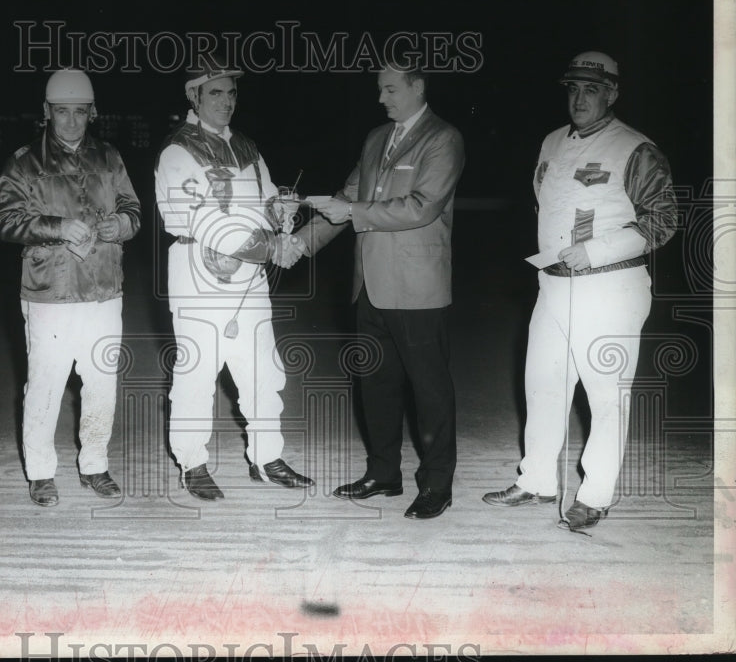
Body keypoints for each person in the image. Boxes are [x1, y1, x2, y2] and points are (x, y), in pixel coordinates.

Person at [482, 51, 677, 531]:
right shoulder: (551, 142)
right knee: (543, 386)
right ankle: (536, 481)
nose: (579, 98)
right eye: (572, 88)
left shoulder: (636, 148)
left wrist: (597, 250)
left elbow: (664, 220)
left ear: (612, 92)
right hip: (552, 286)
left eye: (591, 89)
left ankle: (594, 494)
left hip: (609, 287)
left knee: (606, 395)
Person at [289, 60, 465, 520]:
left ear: (417, 87)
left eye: (389, 90)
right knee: (376, 386)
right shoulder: (373, 140)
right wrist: (295, 244)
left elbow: (421, 207)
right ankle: (384, 474)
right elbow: (345, 201)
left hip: (418, 289)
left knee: (429, 391)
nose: (381, 98)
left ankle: (437, 485)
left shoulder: (443, 139)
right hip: (368, 286)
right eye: (380, 90)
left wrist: (352, 212)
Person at [154, 56, 312, 500]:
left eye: (232, 92)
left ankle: (267, 458)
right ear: (194, 96)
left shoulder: (246, 145)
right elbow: (199, 221)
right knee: (198, 372)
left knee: (263, 369)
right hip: (199, 276)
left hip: (249, 279)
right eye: (215, 93)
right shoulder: (177, 151)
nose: (226, 101)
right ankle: (193, 463)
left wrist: (280, 210)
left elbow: (263, 203)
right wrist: (271, 248)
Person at [0, 69, 140, 507]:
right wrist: (57, 228)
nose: (71, 122)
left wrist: (121, 224)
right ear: (46, 112)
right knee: (45, 384)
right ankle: (40, 472)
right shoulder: (24, 161)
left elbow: (134, 208)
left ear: (91, 112)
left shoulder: (110, 157)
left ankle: (94, 464)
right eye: (62, 113)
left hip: (104, 290)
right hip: (50, 292)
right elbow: (2, 220)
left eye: (80, 112)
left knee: (101, 382)